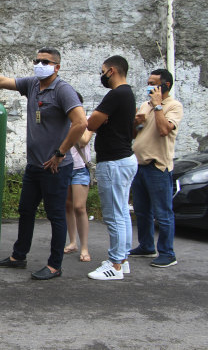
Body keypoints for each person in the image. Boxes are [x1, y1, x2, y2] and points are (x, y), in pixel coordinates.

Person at [0, 47, 87, 280]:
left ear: (57, 67)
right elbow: (3, 81)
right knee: (26, 210)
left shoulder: (63, 90)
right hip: (34, 165)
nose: (39, 64)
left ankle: (55, 265)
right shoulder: (33, 84)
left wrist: (60, 153)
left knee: (56, 215)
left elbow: (81, 123)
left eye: (45, 61)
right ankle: (19, 256)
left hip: (55, 168)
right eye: (37, 60)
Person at [86, 55, 137, 281]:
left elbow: (91, 122)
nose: (102, 75)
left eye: (103, 70)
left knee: (114, 214)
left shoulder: (116, 94)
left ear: (112, 71)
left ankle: (115, 265)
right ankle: (122, 259)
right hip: (124, 159)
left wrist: (99, 119)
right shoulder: (128, 94)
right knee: (123, 211)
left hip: (114, 162)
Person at [130, 69, 183, 268]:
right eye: (149, 82)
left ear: (166, 86)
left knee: (163, 212)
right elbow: (136, 135)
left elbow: (163, 130)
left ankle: (168, 253)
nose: (150, 87)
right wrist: (136, 123)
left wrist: (158, 106)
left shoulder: (173, 106)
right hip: (140, 165)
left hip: (157, 167)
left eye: (154, 83)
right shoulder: (145, 104)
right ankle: (146, 246)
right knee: (142, 211)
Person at [64, 92, 94, 262]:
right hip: (65, 167)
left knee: (79, 207)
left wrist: (74, 124)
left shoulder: (87, 121)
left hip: (80, 168)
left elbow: (83, 141)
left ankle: (84, 247)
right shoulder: (62, 121)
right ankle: (73, 242)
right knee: (68, 206)